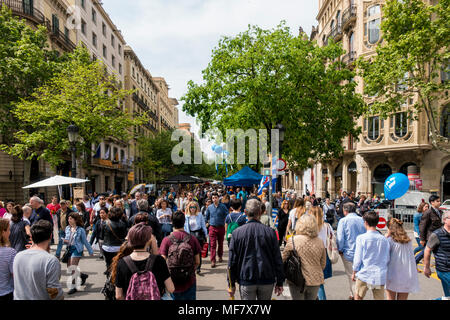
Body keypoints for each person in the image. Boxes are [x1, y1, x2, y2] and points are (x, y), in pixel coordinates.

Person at [228, 199, 285, 300]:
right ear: (260, 212)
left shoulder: (237, 233)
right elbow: (277, 259)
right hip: (266, 278)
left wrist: (231, 284)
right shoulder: (270, 232)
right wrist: (280, 281)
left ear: (245, 212)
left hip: (246, 278)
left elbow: (232, 261)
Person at [115, 223, 175, 300]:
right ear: (148, 240)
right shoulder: (159, 260)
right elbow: (171, 288)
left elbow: (118, 295)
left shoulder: (122, 262)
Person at [13, 220, 63, 300]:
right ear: (50, 236)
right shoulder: (50, 260)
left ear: (31, 237)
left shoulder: (18, 256)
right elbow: (54, 292)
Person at [282, 214, 326, 300]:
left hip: (296, 278)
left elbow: (283, 259)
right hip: (315, 280)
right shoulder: (320, 241)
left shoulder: (293, 240)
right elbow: (323, 263)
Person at [160, 211, 202, 300]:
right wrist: (189, 270)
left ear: (172, 222)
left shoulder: (166, 240)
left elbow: (162, 260)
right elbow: (197, 261)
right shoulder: (192, 239)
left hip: (173, 280)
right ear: (184, 222)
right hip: (189, 279)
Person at [352, 211, 390, 300]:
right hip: (379, 273)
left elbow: (358, 258)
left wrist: (354, 271)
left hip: (364, 273)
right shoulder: (384, 239)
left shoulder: (361, 238)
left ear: (365, 222)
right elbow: (387, 257)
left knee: (358, 296)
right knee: (378, 297)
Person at [336, 202, 366, 300]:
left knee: (351, 276)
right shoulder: (362, 219)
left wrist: (340, 249)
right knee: (357, 275)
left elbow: (340, 238)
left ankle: (356, 296)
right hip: (361, 252)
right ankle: (352, 294)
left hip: (348, 252)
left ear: (345, 211)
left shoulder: (343, 221)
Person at [385, 218, 420, 300]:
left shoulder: (389, 240)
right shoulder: (408, 241)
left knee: (390, 298)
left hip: (392, 273)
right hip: (406, 274)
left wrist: (386, 236)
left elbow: (385, 257)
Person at [63, 213, 94, 294]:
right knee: (70, 268)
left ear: (75, 220)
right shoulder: (67, 228)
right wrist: (64, 241)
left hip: (77, 250)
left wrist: (90, 251)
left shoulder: (81, 230)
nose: (69, 220)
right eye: (68, 218)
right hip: (69, 249)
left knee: (73, 267)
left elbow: (85, 241)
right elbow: (67, 238)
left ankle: (74, 287)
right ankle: (83, 276)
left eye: (71, 218)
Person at [424, 211, 450, 298]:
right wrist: (426, 267)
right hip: (444, 269)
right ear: (445, 220)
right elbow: (427, 250)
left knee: (448, 297)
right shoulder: (436, 234)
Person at [309, 206, 333, 300]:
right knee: (319, 281)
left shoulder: (310, 226)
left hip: (312, 254)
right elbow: (332, 237)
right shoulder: (327, 226)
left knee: (317, 282)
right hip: (324, 253)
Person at [205, 192, 229, 268]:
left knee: (220, 243)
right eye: (213, 198)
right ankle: (213, 260)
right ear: (211, 199)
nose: (214, 199)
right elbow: (206, 217)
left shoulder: (223, 206)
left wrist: (226, 225)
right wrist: (207, 223)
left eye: (216, 198)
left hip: (221, 227)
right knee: (212, 245)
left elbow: (227, 215)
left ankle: (220, 256)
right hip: (212, 227)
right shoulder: (209, 207)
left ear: (218, 198)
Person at [417, 195, 443, 264]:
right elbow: (422, 226)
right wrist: (422, 239)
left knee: (438, 252)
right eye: (437, 201)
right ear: (432, 202)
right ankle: (414, 261)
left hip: (438, 236)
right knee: (425, 251)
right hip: (430, 236)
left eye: (439, 201)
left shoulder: (440, 212)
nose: (439, 202)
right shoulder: (428, 212)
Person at [184, 201, 208, 274]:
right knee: (191, 252)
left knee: (198, 252)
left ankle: (198, 268)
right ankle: (192, 266)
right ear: (189, 208)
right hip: (190, 234)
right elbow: (185, 227)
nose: (192, 209)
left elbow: (203, 225)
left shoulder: (200, 215)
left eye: (194, 207)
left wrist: (206, 234)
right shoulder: (186, 216)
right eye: (191, 207)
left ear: (196, 208)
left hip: (199, 234)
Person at [102, 207, 128, 274]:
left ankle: (109, 278)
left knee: (108, 263)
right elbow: (125, 236)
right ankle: (115, 278)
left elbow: (101, 236)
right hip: (118, 247)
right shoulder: (123, 224)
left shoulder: (105, 223)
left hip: (107, 247)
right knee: (117, 264)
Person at [0, 218, 16, 300]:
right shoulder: (10, 252)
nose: (10, 232)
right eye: (9, 230)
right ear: (3, 232)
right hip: (6, 292)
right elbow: (15, 275)